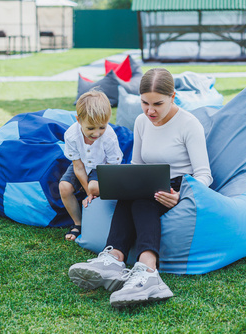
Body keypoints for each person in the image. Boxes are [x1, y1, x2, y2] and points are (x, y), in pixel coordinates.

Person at [68, 68, 213, 308]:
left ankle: (148, 271)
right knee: (133, 192)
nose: (150, 111)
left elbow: (204, 174)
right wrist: (123, 183)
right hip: (148, 181)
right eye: (145, 103)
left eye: (158, 104)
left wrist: (182, 196)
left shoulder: (189, 124)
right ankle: (113, 260)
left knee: (144, 198)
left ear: (173, 97)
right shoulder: (141, 121)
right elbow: (137, 164)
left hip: (176, 186)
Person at [60, 90, 123, 241]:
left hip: (103, 166)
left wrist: (92, 189)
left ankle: (99, 219)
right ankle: (78, 223)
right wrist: (87, 190)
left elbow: (112, 166)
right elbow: (78, 166)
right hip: (82, 165)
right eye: (91, 128)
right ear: (79, 120)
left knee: (95, 187)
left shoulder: (109, 137)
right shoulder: (71, 135)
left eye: (102, 127)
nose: (96, 133)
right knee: (64, 187)